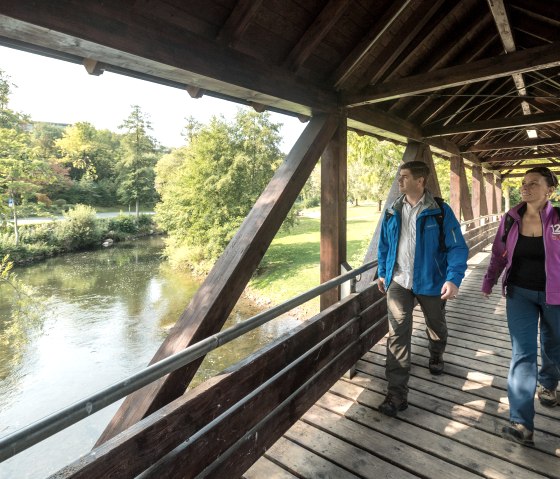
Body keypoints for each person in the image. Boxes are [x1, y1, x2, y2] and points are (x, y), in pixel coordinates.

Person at [377, 160, 469, 417]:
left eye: (404, 177)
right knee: (397, 336)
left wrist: (453, 279)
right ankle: (396, 395)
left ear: (420, 181)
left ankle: (436, 354)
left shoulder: (439, 210)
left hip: (432, 282)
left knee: (436, 324)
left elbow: (457, 247)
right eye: (399, 177)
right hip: (399, 282)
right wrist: (383, 273)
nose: (399, 181)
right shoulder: (392, 210)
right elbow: (384, 245)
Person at [482, 166, 560, 446]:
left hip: (556, 296)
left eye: (533, 183)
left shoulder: (559, 219)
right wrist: (489, 280)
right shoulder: (511, 219)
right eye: (524, 183)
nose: (525, 187)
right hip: (520, 293)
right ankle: (521, 423)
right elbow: (498, 253)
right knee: (522, 354)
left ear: (549, 190)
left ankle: (549, 384)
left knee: (554, 345)